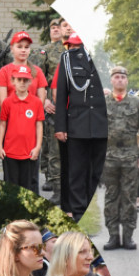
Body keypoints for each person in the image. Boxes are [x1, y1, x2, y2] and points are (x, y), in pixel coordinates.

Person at [52, 35, 106, 221]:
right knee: (77, 173)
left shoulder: (106, 54)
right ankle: (79, 213)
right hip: (77, 124)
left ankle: (91, 209)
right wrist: (60, 126)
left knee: (96, 173)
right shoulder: (68, 59)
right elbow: (61, 94)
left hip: (101, 125)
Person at [102, 66, 139, 251]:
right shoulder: (103, 103)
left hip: (130, 157)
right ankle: (112, 236)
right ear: (111, 80)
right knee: (111, 196)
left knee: (129, 197)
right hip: (108, 157)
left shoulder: (137, 103)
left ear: (127, 80)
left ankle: (128, 237)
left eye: (122, 77)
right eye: (116, 77)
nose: (119, 80)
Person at [0, 66, 45, 193]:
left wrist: (37, 147)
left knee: (28, 189)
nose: (22, 83)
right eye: (19, 80)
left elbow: (39, 125)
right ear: (13, 81)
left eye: (25, 80)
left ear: (30, 82)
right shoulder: (7, 102)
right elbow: (2, 124)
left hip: (29, 153)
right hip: (10, 152)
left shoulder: (36, 102)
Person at [31, 20, 64, 194]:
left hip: (69, 98)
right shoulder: (43, 51)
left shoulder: (71, 49)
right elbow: (38, 76)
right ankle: (51, 178)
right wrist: (43, 100)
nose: (56, 30)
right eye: (53, 27)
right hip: (51, 96)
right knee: (51, 140)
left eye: (59, 27)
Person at [0, 32, 47, 104]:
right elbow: (3, 101)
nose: (23, 50)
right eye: (19, 47)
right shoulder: (4, 71)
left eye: (26, 47)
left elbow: (41, 99)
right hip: (11, 114)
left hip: (32, 113)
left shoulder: (37, 71)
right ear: (12, 48)